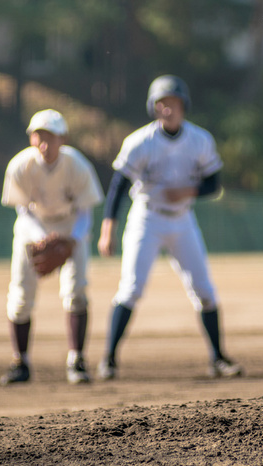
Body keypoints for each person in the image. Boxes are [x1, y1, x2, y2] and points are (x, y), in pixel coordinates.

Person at [96, 75, 242, 380]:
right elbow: (117, 187)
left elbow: (214, 184)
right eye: (161, 103)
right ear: (153, 107)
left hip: (182, 218)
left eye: (173, 103)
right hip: (146, 217)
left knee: (204, 291)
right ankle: (108, 359)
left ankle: (218, 358)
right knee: (131, 289)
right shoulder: (140, 142)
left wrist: (187, 193)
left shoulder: (199, 140)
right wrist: (107, 230)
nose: (167, 109)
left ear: (183, 106)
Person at [0, 109, 104, 385]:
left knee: (76, 291)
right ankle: (20, 361)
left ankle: (77, 360)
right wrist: (40, 239)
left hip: (71, 226)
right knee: (21, 296)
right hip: (34, 227)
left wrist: (72, 240)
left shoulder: (77, 165)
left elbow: (85, 212)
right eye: (39, 136)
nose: (44, 144)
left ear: (63, 139)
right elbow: (23, 211)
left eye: (50, 137)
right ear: (32, 138)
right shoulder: (21, 166)